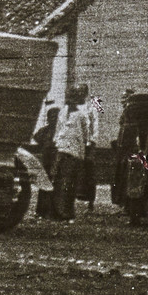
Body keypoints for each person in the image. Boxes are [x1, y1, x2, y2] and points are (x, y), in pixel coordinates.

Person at [49, 82, 93, 221]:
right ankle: (56, 212)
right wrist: (56, 145)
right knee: (57, 181)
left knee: (69, 183)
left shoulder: (82, 115)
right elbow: (58, 130)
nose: (70, 102)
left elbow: (86, 134)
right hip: (61, 149)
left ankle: (66, 212)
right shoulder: (62, 112)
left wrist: (86, 147)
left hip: (74, 152)